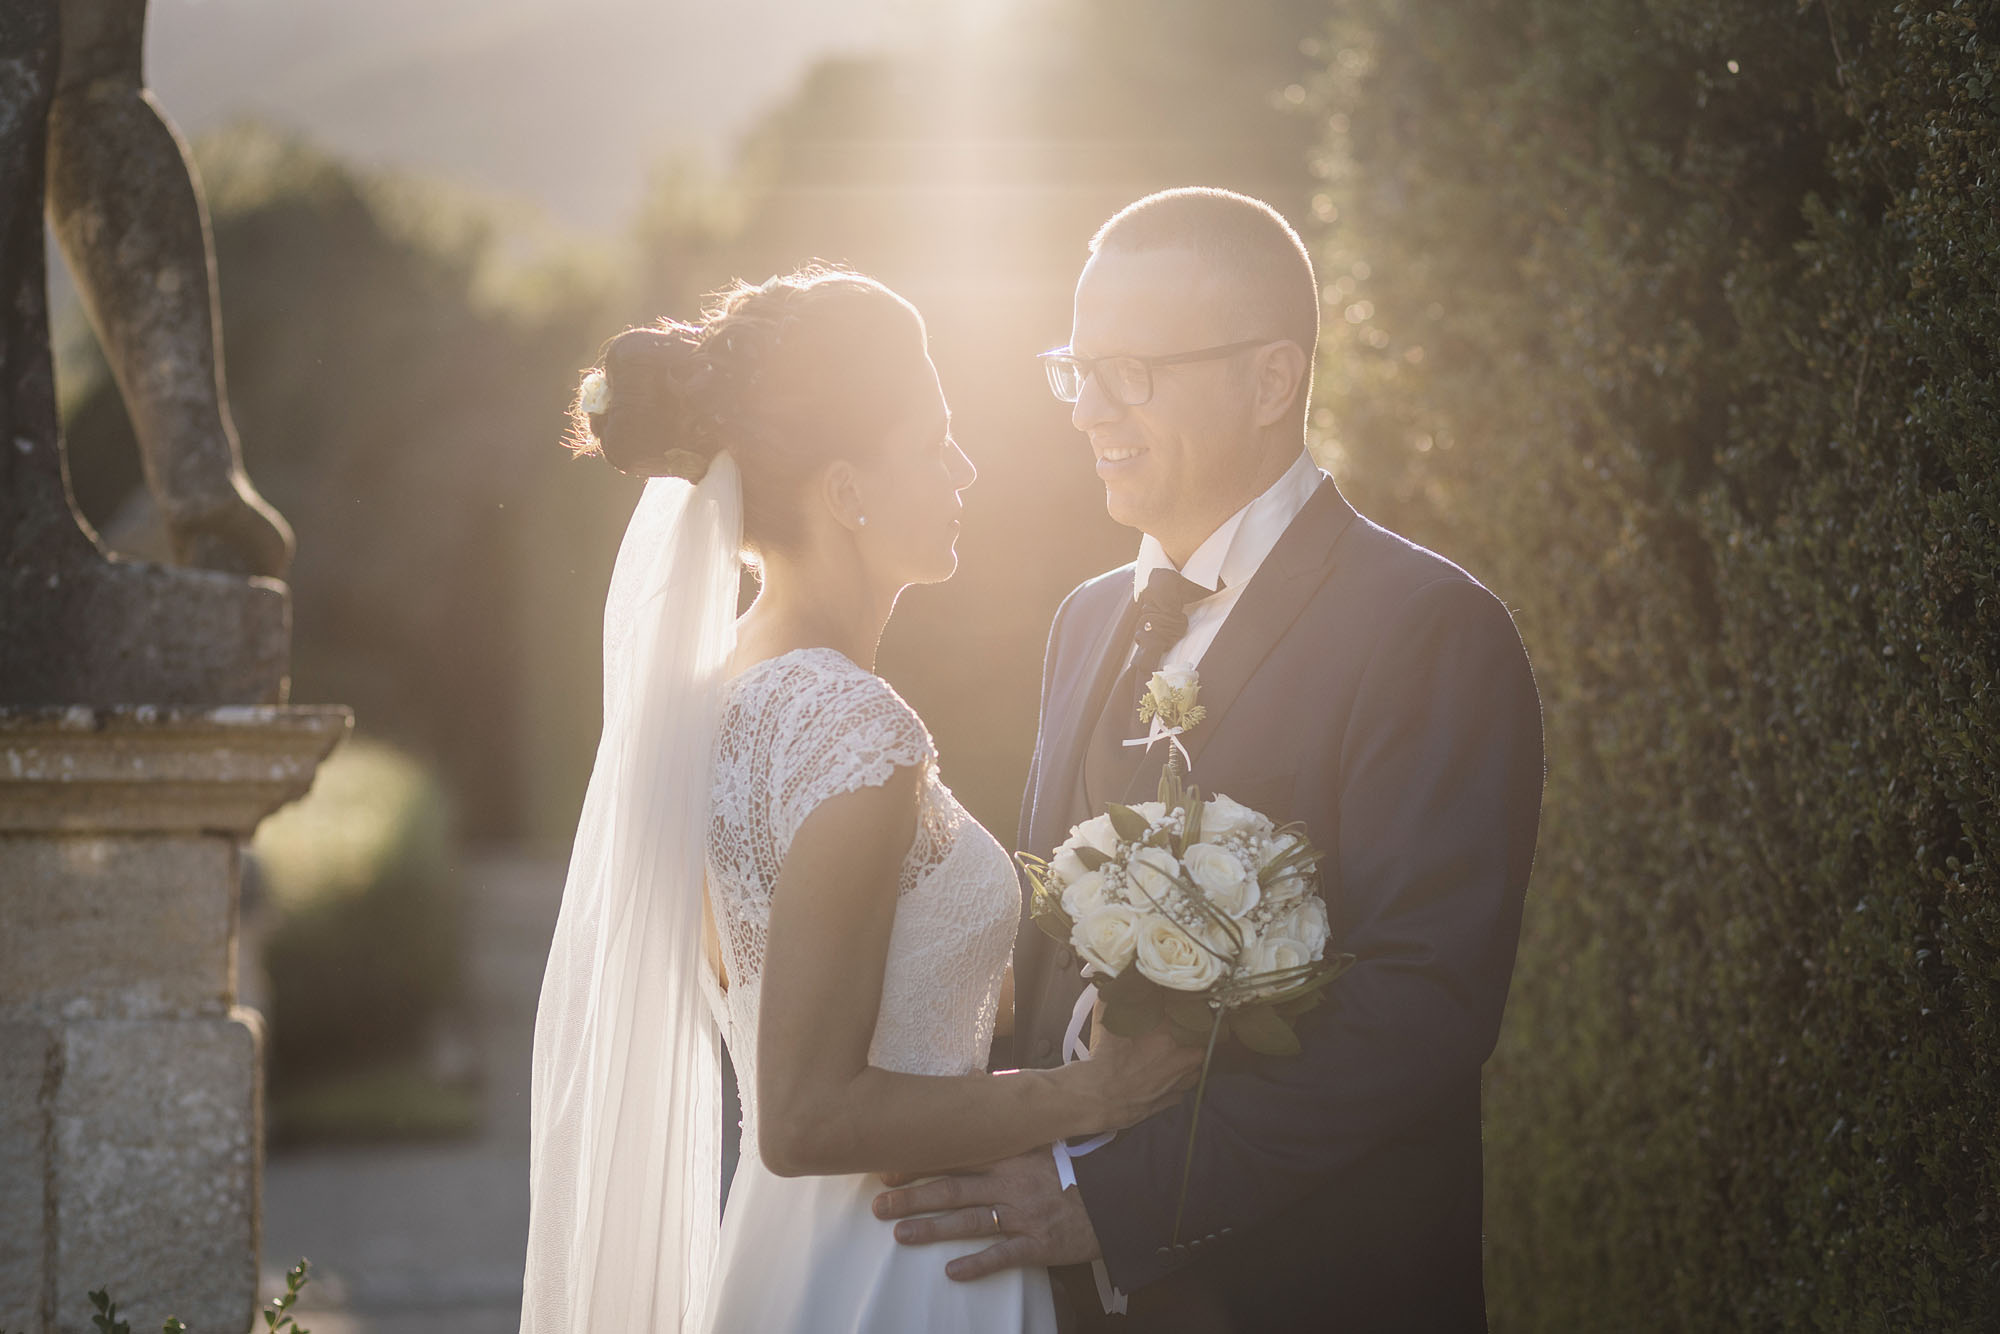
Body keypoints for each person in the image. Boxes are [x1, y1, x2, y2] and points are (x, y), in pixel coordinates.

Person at [873, 188, 1546, 1331]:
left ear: (1270, 377)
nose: (1087, 409)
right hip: (1060, 1295)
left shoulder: (1428, 626)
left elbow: (1419, 1006)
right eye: (1074, 369)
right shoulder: (1085, 618)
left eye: (1128, 371)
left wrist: (1110, 1198)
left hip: (1311, 1287)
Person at [519, 265, 1203, 1334]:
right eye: (934, 441)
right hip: (906, 1271)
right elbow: (804, 1112)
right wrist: (1094, 1095)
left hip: (788, 1255)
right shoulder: (854, 731)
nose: (964, 467)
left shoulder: (718, 694)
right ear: (845, 490)